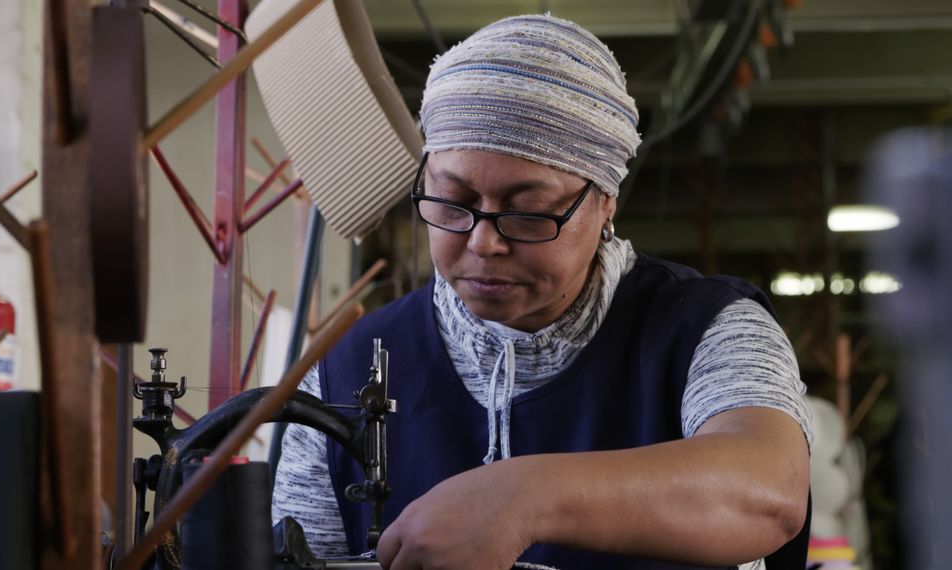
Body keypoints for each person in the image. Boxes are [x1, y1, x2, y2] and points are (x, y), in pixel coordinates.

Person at [273, 14, 811, 570]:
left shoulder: (703, 329)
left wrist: (526, 496)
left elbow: (769, 493)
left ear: (605, 202)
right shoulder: (346, 369)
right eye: (451, 201)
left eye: (527, 213)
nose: (483, 242)